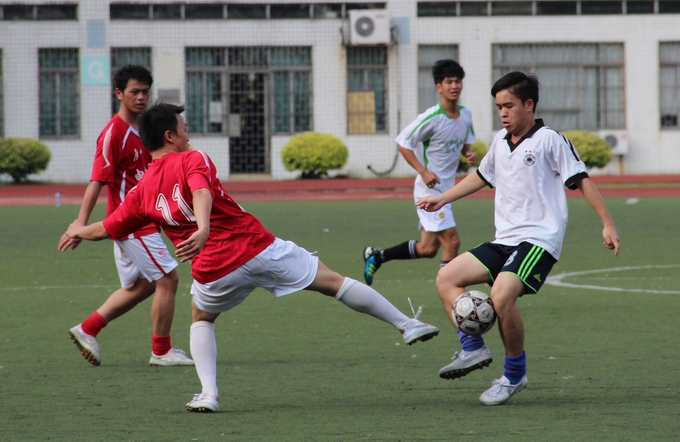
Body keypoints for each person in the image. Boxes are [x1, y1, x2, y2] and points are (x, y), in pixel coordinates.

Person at [63, 103, 440, 413]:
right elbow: (200, 190)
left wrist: (77, 230)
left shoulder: (141, 190)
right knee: (333, 282)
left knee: (201, 318)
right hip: (257, 248)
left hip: (213, 270)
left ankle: (209, 394)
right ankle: (406, 324)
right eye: (184, 128)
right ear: (169, 136)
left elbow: (107, 228)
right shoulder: (192, 158)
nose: (188, 134)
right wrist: (204, 227)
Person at [416, 71, 620, 405]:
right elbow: (481, 176)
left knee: (501, 296)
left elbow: (582, 180)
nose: (503, 113)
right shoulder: (500, 140)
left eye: (508, 106)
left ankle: (514, 375)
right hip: (505, 239)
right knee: (446, 277)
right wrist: (442, 198)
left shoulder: (550, 140)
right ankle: (473, 348)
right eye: (499, 107)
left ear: (529, 104)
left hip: (539, 240)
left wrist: (607, 224)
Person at [58, 66, 193, 368]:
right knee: (168, 278)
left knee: (146, 284)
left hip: (145, 222)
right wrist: (80, 224)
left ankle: (88, 328)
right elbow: (97, 181)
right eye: (135, 91)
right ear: (118, 93)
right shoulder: (113, 134)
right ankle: (161, 351)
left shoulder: (148, 128)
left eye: (145, 91)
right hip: (132, 224)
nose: (141, 97)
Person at [363, 59, 476, 286]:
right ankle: (450, 291)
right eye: (449, 82)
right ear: (438, 87)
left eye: (458, 81)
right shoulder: (431, 118)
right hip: (429, 192)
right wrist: (423, 172)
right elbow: (403, 144)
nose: (454, 86)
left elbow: (465, 142)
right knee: (452, 242)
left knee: (428, 249)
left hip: (448, 190)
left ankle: (377, 256)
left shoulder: (466, 115)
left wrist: (468, 154)